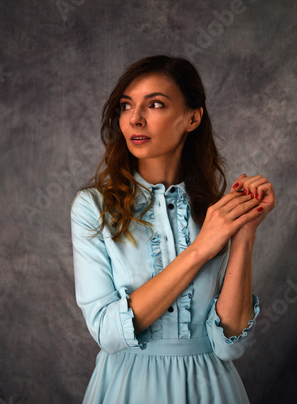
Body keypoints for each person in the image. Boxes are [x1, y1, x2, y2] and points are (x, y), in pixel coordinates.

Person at [70, 55, 275, 404]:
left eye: (155, 104)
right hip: (127, 388)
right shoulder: (93, 207)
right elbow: (107, 333)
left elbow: (231, 345)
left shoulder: (214, 210)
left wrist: (243, 234)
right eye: (125, 106)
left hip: (211, 388)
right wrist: (201, 248)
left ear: (192, 117)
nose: (135, 119)